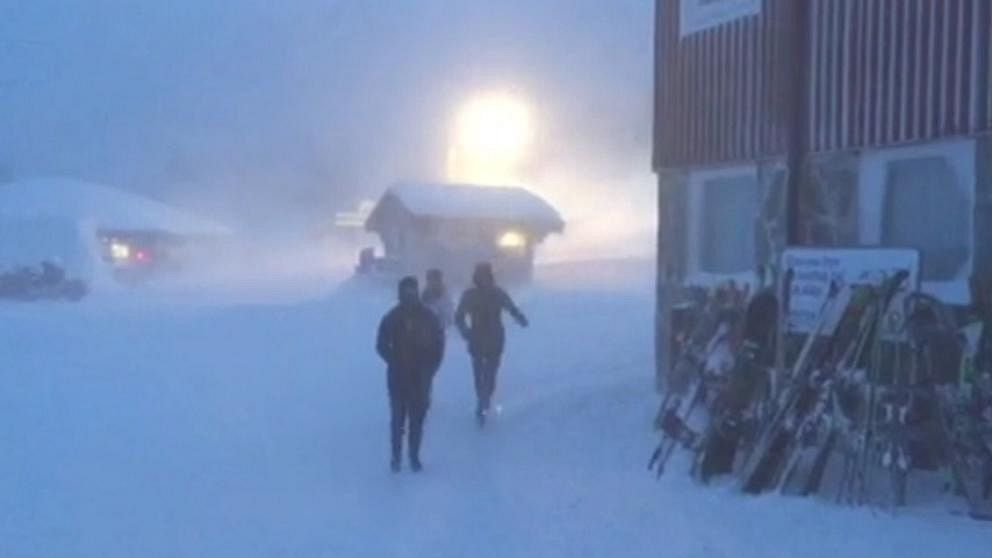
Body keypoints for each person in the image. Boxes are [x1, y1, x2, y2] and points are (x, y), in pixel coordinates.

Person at [376, 276, 445, 472]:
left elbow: (439, 345)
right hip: (398, 378)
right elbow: (381, 345)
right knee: (398, 420)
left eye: (412, 292)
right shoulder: (392, 318)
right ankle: (396, 458)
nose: (409, 296)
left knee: (417, 420)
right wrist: (394, 360)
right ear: (400, 293)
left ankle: (414, 456)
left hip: (421, 378)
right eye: (406, 292)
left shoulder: (429, 318)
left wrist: (430, 368)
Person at [455, 262, 528, 426]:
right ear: (476, 278)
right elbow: (459, 317)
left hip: (495, 339)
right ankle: (481, 401)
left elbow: (511, 308)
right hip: (477, 339)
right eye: (480, 277)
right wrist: (466, 333)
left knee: (491, 374)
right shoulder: (469, 295)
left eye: (486, 277)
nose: (483, 280)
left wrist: (520, 318)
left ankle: (485, 398)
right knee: (478, 374)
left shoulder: (498, 293)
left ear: (490, 277)